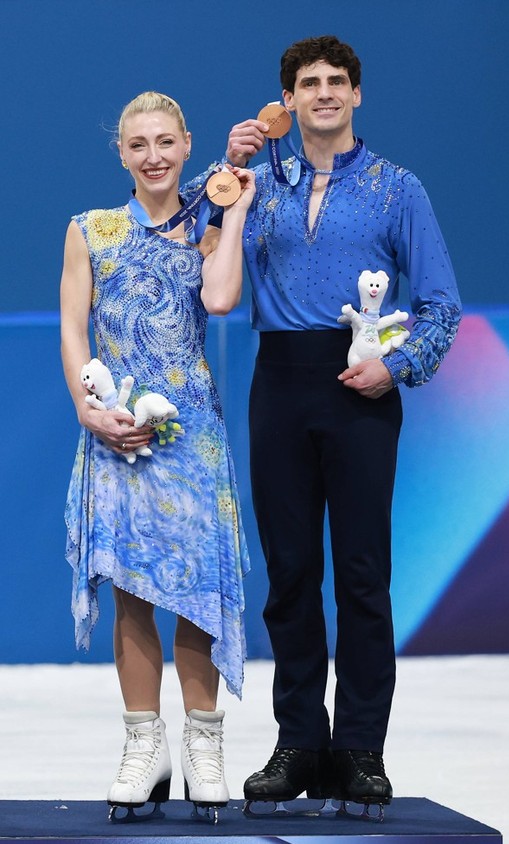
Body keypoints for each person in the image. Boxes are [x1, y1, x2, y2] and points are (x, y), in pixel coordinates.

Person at [212, 35, 462, 809]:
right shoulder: (255, 184)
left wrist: (397, 366)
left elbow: (442, 306)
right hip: (279, 382)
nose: (323, 92)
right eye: (307, 82)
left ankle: (358, 748)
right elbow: (190, 226)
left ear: (357, 96)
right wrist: (224, 162)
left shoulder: (398, 189)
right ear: (286, 99)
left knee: (361, 574)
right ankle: (297, 745)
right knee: (289, 577)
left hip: (361, 387)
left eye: (337, 81)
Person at [60, 91, 255, 820]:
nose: (153, 156)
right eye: (138, 144)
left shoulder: (206, 227)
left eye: (166, 142)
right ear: (121, 153)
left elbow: (225, 297)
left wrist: (232, 213)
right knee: (134, 593)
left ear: (186, 144)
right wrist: (89, 408)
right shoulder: (91, 229)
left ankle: (204, 744)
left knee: (197, 591)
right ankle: (145, 747)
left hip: (190, 437)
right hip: (115, 433)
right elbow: (73, 327)